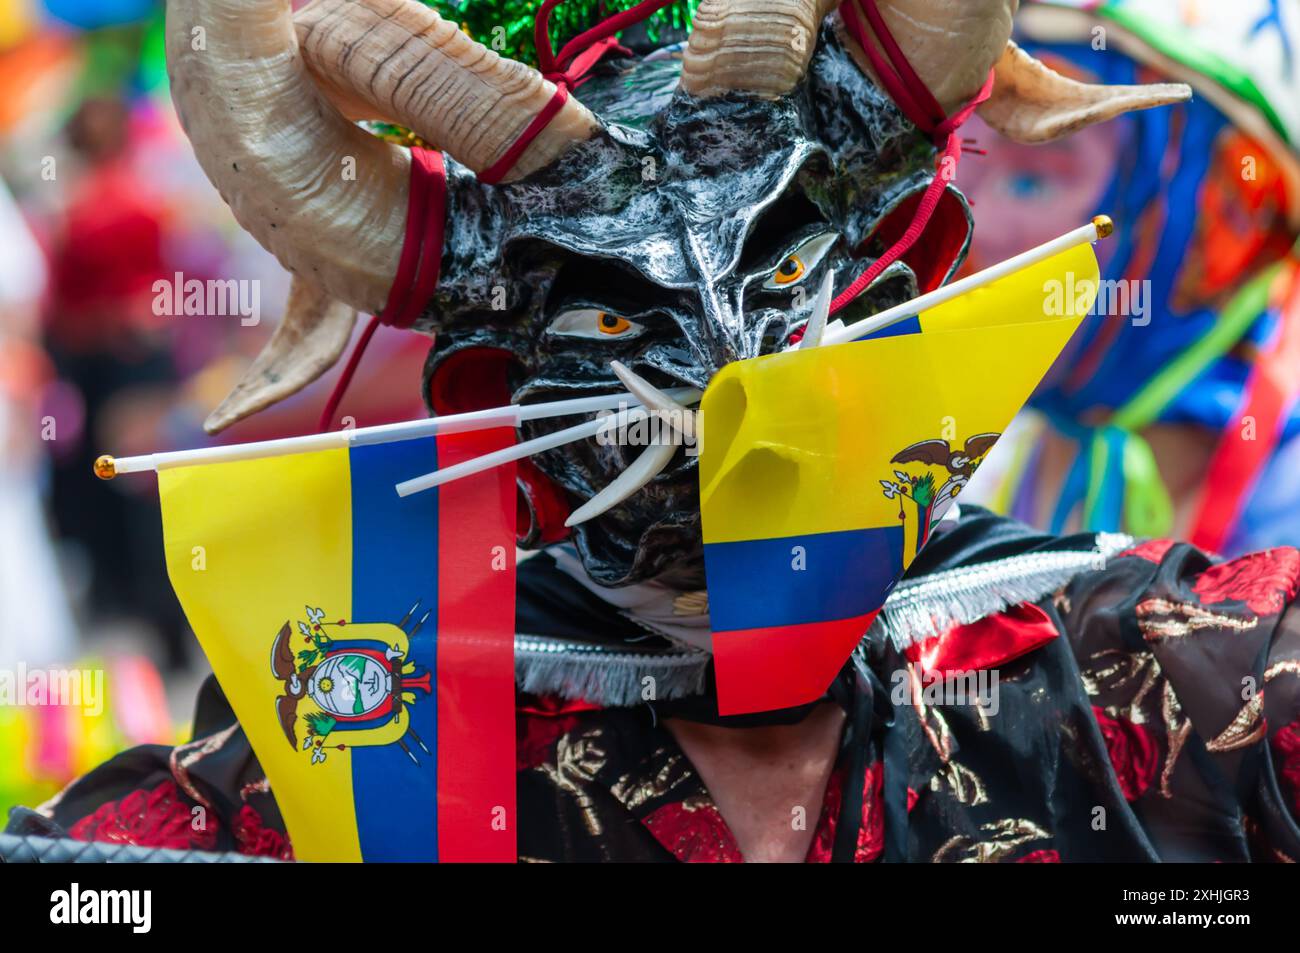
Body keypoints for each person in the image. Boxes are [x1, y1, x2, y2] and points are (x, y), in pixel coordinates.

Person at [9, 0, 1299, 863]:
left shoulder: (1155, 681)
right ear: (490, 385)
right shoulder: (351, 746)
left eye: (779, 281)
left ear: (900, 281)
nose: (722, 396)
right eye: (623, 325)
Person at [959, 0, 1300, 557]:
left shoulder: (1285, 510)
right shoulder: (962, 475)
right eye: (960, 161)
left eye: (1030, 181)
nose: (966, 234)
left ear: (1231, 225)